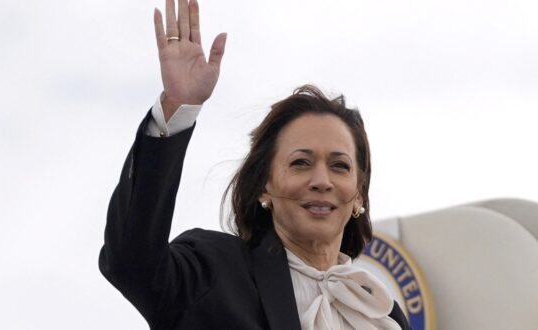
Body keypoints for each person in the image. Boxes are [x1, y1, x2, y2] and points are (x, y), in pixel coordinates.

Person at [99, 0, 411, 329]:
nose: (322, 180)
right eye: (301, 162)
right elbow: (132, 262)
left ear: (359, 194)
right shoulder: (212, 271)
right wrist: (177, 107)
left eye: (340, 166)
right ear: (265, 185)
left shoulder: (382, 313)